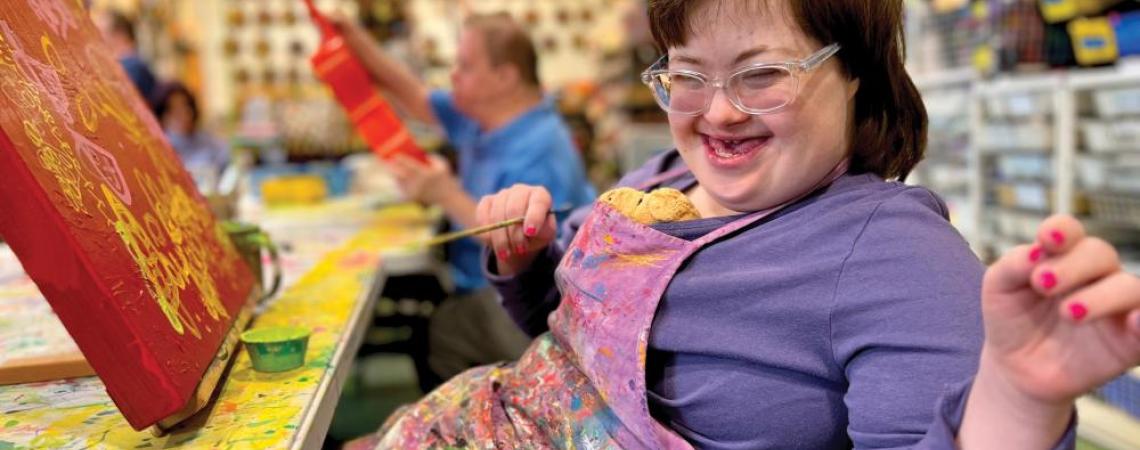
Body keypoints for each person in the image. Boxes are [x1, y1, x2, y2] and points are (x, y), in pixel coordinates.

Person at [347, 0, 1140, 448]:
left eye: (761, 74)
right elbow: (561, 329)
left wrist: (1020, 398)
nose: (718, 112)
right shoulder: (658, 178)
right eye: (688, 75)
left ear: (859, 74)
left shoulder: (889, 251)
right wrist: (525, 260)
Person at [331, 13, 596, 384]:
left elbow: (522, 243)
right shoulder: (482, 116)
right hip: (475, 279)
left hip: (528, 304)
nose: (454, 74)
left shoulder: (542, 147)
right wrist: (352, 37)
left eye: (465, 66)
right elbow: (412, 95)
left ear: (505, 77)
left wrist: (444, 193)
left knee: (442, 329)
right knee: (425, 306)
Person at [151, 82, 229, 191]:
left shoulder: (210, 142)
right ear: (162, 116)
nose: (183, 113)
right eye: (173, 110)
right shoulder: (159, 150)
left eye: (185, 106)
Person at [94, 10, 158, 101]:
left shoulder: (132, 66)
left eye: (100, 32)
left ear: (120, 34)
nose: (97, 38)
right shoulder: (130, 64)